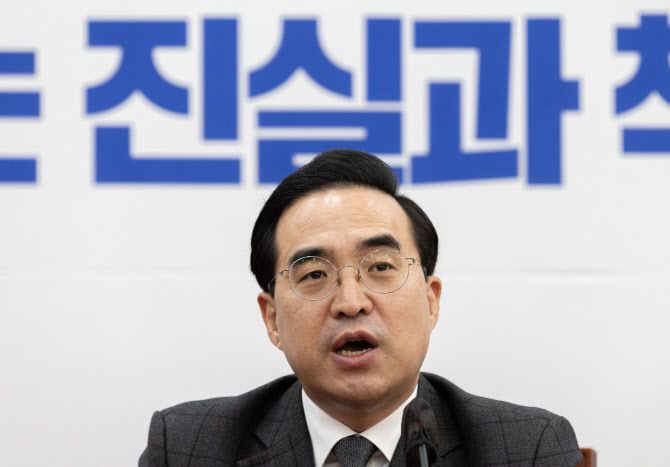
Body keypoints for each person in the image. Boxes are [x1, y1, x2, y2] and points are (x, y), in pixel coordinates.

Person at [139, 149, 582, 466]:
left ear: (430, 301)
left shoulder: (526, 449)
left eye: (381, 267)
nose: (351, 303)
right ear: (272, 318)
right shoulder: (187, 448)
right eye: (314, 274)